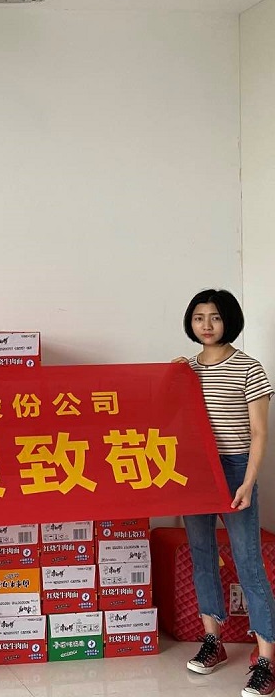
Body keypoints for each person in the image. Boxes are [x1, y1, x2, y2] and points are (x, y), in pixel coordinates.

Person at [174, 288, 275, 697]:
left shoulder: (249, 368)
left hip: (235, 468)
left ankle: (266, 659)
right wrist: (168, 376)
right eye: (199, 317)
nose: (207, 325)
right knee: (202, 556)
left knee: (248, 560)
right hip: (196, 470)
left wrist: (248, 482)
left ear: (229, 320)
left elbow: (259, 432)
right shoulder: (185, 371)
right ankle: (212, 641)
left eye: (215, 317)